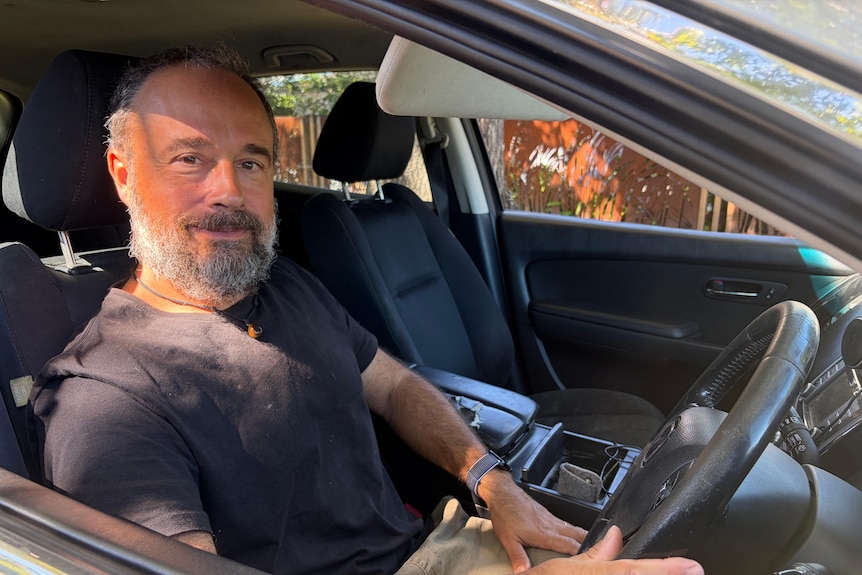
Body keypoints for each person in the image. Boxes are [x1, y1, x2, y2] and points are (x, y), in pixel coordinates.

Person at [30, 45, 703, 575]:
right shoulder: (103, 398)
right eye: (190, 159)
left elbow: (396, 382)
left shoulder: (286, 284)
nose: (228, 191)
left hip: (435, 543)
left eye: (252, 162)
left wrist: (491, 480)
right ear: (122, 173)